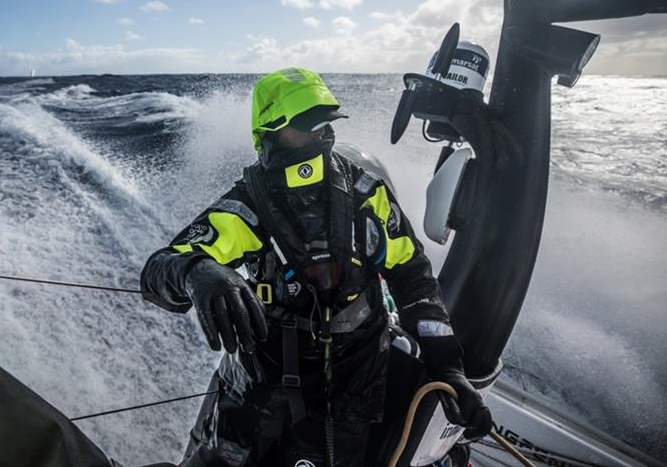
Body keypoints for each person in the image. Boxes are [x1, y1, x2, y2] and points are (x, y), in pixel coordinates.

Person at [140, 67, 491, 467]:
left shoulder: (366, 196)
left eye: (327, 123)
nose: (324, 134)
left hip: (356, 395)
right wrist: (197, 272)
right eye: (309, 125)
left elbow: (414, 278)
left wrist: (448, 365)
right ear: (270, 130)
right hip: (262, 393)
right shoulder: (246, 207)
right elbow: (159, 268)